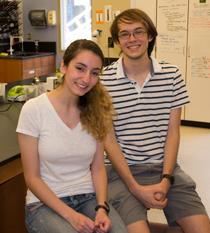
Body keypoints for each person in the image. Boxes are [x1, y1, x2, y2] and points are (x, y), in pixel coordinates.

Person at [100, 8, 210, 233]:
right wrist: (134, 187)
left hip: (165, 168)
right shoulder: (104, 81)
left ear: (150, 36)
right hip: (122, 171)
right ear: (117, 41)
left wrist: (166, 178)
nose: (132, 39)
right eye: (125, 34)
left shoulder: (172, 75)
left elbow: (173, 132)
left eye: (138, 31)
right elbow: (108, 140)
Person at [16, 39, 128, 233]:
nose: (86, 79)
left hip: (88, 197)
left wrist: (102, 208)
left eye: (94, 73)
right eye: (80, 68)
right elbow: (32, 178)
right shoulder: (34, 109)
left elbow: (98, 168)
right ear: (64, 66)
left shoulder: (96, 111)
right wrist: (71, 216)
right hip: (44, 204)